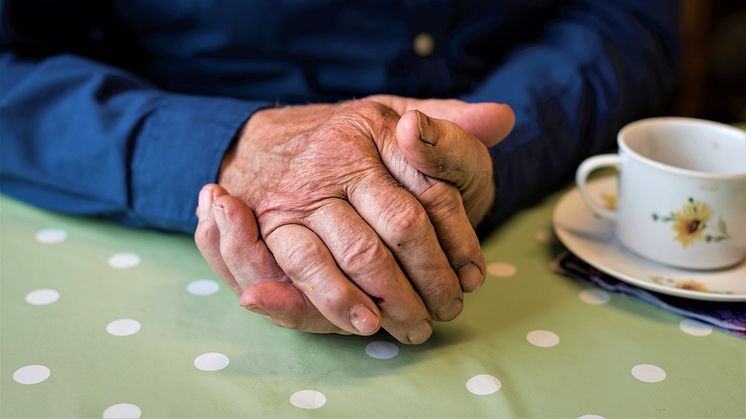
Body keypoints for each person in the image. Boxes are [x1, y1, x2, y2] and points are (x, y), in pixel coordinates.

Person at [0, 0, 679, 344]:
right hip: (170, 237)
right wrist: (236, 152)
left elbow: (624, 15)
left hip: (522, 203)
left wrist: (477, 147)